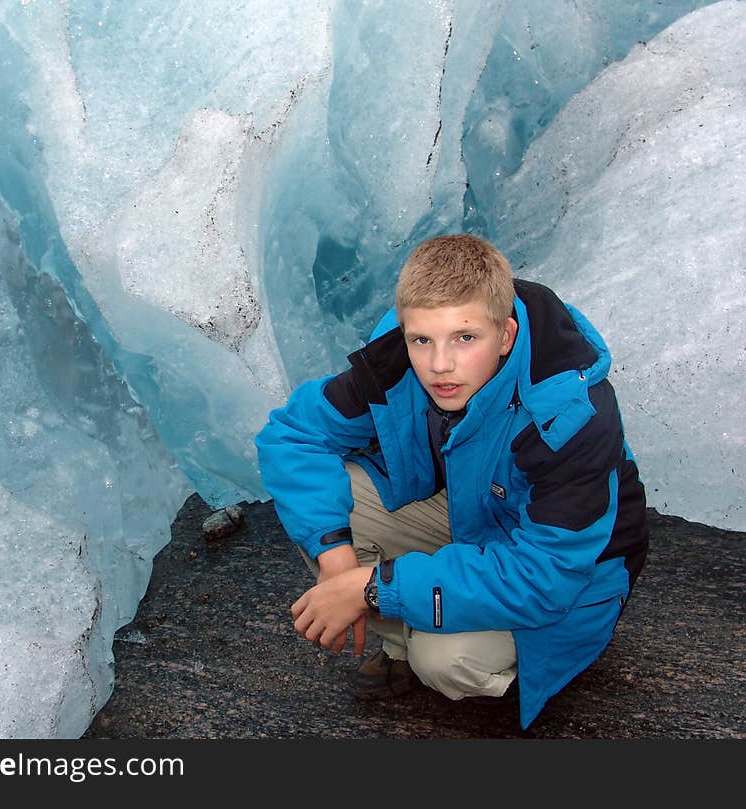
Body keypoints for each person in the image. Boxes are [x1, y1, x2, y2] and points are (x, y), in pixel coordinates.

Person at [254, 233, 649, 730]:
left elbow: (545, 577)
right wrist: (339, 570)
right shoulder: (400, 361)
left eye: (465, 338)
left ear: (504, 336)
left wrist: (375, 588)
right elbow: (293, 434)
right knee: (336, 505)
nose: (440, 365)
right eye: (423, 339)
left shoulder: (571, 416)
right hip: (477, 513)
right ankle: (403, 641)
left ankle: (501, 671)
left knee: (446, 658)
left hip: (578, 574)